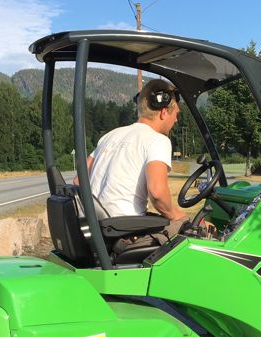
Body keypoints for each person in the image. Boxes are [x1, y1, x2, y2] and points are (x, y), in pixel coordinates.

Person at [73, 79, 189, 242]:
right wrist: (180, 217)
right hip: (125, 232)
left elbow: (78, 181)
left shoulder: (110, 136)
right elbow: (157, 194)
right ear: (164, 112)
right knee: (193, 230)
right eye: (176, 114)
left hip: (97, 230)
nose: (176, 120)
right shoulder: (158, 140)